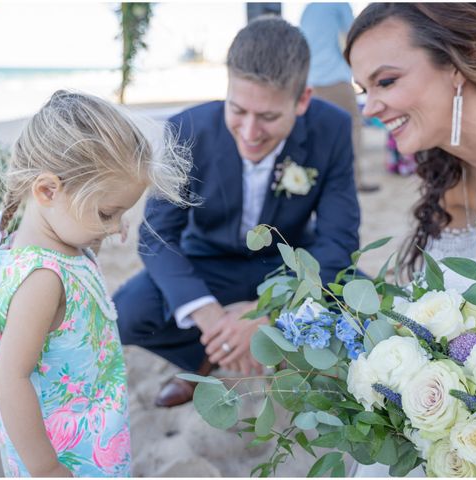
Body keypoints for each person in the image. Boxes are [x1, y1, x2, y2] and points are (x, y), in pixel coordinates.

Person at [113, 16, 361, 408]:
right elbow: (157, 236)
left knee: (365, 303)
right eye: (238, 110)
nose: (249, 132)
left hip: (289, 264)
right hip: (209, 260)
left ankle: (279, 352)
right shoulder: (186, 129)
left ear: (302, 100)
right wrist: (210, 316)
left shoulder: (332, 129)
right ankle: (202, 358)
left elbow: (339, 241)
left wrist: (272, 314)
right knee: (127, 312)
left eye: (267, 117)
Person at [344, 3, 476, 474]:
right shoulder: (454, 184)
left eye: (386, 81)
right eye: (364, 90)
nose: (370, 107)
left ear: (458, 63)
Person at [0, 91, 190, 476]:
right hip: (66, 454)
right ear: (48, 191)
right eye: (108, 213)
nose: (115, 227)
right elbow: (10, 377)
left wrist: (104, 221)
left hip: (94, 429)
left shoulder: (65, 242)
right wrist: (46, 468)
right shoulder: (42, 279)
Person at [300, 2, 380, 193]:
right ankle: (354, 181)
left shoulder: (309, 9)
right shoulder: (338, 4)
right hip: (335, 78)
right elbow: (352, 38)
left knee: (319, 132)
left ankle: (319, 180)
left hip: (311, 80)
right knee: (352, 127)